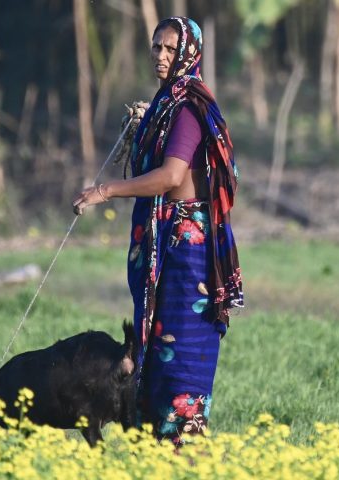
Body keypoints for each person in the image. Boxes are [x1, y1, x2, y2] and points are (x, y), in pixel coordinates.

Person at [71, 16, 244, 446]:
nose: (161, 57)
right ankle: (158, 451)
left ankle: (184, 450)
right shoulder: (168, 104)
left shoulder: (187, 108)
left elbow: (170, 176)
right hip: (169, 245)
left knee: (181, 351)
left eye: (170, 49)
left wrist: (106, 191)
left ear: (189, 53)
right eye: (156, 48)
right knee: (157, 353)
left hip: (186, 255)